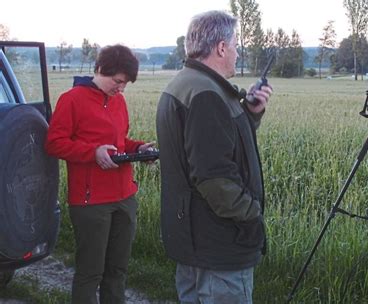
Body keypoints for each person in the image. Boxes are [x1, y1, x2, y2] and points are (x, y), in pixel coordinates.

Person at [156, 10, 273, 303]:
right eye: (235, 45)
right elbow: (213, 177)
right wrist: (252, 213)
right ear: (221, 47)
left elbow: (215, 144)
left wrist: (249, 113)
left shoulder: (187, 84)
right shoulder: (207, 95)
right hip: (219, 245)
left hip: (194, 240)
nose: (237, 52)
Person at [45, 44, 154, 304]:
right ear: (100, 70)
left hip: (124, 196)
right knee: (90, 272)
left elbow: (119, 142)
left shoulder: (119, 101)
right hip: (90, 202)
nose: (121, 88)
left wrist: (139, 148)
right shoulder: (71, 99)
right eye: (118, 81)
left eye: (125, 83)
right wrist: (93, 153)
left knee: (117, 271)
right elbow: (53, 143)